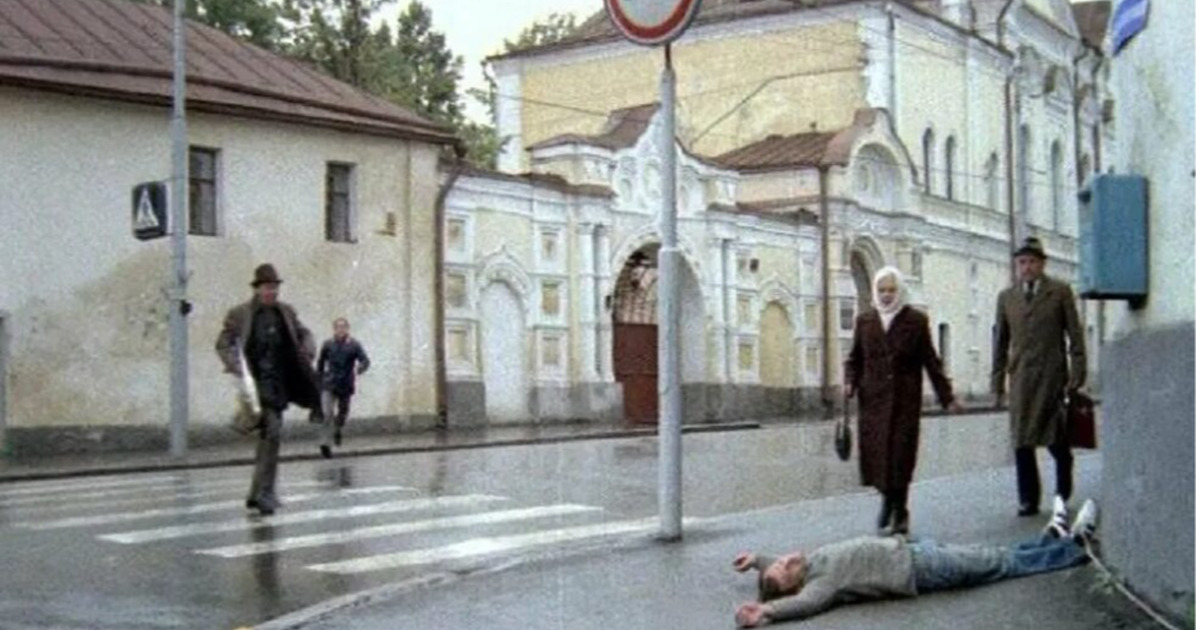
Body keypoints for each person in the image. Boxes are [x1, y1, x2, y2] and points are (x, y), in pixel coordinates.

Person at [731, 499, 1099, 627]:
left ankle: (1052, 539)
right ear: (796, 584)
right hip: (922, 567)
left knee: (993, 555)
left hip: (915, 550)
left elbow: (777, 569)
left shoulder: (809, 565)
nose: (787, 559)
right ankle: (1073, 548)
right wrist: (766, 612)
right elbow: (804, 605)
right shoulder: (820, 585)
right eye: (785, 567)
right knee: (999, 563)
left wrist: (757, 561)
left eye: (781, 561)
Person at [844, 266, 964, 536]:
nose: (886, 295)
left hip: (903, 402)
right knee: (878, 457)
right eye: (882, 290)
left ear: (900, 291)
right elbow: (854, 359)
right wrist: (850, 381)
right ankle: (889, 501)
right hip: (873, 403)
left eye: (891, 290)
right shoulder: (865, 321)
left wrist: (947, 397)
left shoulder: (916, 321)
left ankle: (898, 509)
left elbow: (931, 362)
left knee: (900, 457)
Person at [215, 263, 321, 516]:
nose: (271, 292)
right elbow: (223, 342)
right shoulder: (240, 314)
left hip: (279, 383)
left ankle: (258, 493)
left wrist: (308, 350)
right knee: (272, 432)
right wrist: (235, 365)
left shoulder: (286, 312)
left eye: (274, 288)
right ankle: (265, 493)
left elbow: (304, 334)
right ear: (257, 289)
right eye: (267, 288)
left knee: (269, 437)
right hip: (256, 383)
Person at [992, 237, 1087, 518]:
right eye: (1022, 262)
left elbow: (1075, 335)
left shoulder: (1059, 292)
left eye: (1032, 261)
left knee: (1057, 440)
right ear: (1017, 265)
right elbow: (1000, 342)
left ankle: (1062, 492)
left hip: (1052, 379)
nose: (1027, 267)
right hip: (1021, 380)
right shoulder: (1007, 297)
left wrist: (1077, 372)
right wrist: (997, 381)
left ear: (1042, 264)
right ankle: (1028, 500)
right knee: (1022, 441)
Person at [316, 317, 370, 459]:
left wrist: (361, 367)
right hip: (329, 383)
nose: (341, 330)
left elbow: (365, 360)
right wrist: (319, 379)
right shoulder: (328, 344)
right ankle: (325, 444)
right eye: (338, 327)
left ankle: (338, 429)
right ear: (334, 329)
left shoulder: (354, 345)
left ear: (347, 329)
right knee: (327, 413)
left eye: (343, 327)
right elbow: (321, 363)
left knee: (342, 413)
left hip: (345, 384)